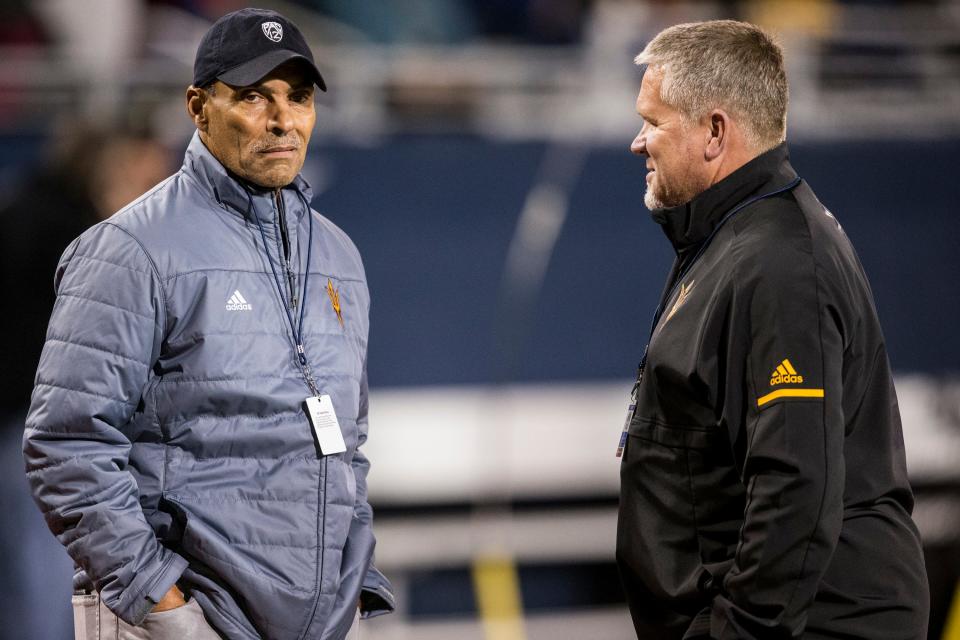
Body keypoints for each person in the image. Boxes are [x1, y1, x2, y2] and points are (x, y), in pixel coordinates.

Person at [23, 8, 394, 640]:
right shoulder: (129, 250)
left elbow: (346, 443)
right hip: (182, 618)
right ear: (198, 107)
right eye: (255, 97)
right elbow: (67, 445)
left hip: (322, 623)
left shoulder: (339, 258)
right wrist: (162, 606)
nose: (283, 120)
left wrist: (356, 583)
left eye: (299, 98)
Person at [615, 20, 929, 640]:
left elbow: (795, 489)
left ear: (714, 131)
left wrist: (737, 631)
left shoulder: (780, 265)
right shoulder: (732, 241)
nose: (637, 142)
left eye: (654, 122)